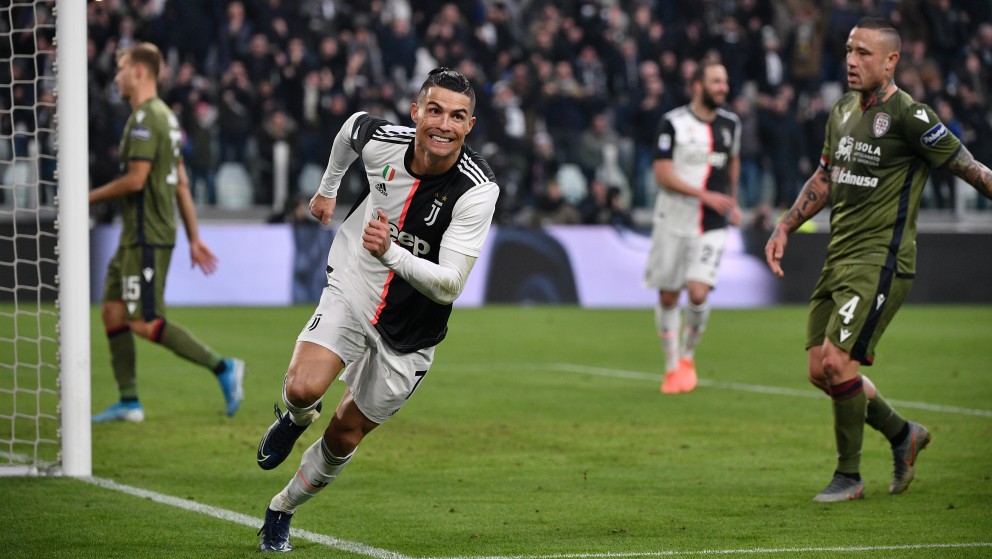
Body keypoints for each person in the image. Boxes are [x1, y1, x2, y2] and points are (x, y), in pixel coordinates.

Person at [255, 68, 499, 552]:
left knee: (345, 433)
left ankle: (281, 509)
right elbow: (351, 128)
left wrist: (392, 252)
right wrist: (328, 188)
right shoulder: (384, 140)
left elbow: (449, 286)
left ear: (470, 126)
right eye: (434, 110)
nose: (443, 125)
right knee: (302, 388)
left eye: (457, 116)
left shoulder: (477, 189)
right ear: (416, 112)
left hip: (411, 334)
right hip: (355, 285)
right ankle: (296, 418)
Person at [764, 18, 992, 503]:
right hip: (838, 256)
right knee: (818, 371)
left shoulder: (913, 117)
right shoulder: (843, 110)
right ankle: (902, 434)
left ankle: (849, 476)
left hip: (879, 261)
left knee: (836, 362)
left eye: (864, 52)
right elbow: (825, 178)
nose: (851, 60)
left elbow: (971, 169)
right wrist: (785, 225)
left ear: (891, 61)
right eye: (848, 50)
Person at [89, 43, 245, 423]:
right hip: (137, 234)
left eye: (122, 68)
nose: (117, 76)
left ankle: (223, 366)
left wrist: (85, 197)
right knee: (112, 311)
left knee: (144, 321)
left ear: (140, 72)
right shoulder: (166, 118)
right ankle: (129, 401)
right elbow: (182, 183)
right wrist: (193, 237)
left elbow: (137, 179)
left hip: (148, 234)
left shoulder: (146, 119)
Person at [644, 60, 742, 394]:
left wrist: (732, 199)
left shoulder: (731, 124)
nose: (723, 88)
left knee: (698, 293)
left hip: (712, 223)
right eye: (717, 81)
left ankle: (687, 358)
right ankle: (671, 369)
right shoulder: (672, 123)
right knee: (669, 295)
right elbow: (662, 174)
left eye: (725, 82)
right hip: (673, 220)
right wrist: (705, 195)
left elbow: (734, 161)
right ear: (698, 85)